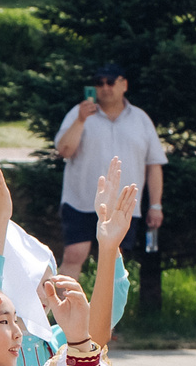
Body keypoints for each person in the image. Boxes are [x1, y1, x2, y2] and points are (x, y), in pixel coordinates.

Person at [53, 64, 168, 279]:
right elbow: (64, 150)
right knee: (73, 255)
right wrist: (80, 120)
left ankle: (109, 312)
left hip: (121, 205)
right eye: (99, 83)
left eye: (110, 82)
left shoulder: (141, 119)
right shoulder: (79, 114)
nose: (105, 87)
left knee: (115, 261)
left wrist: (155, 205)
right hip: (81, 200)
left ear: (124, 84)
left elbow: (154, 165)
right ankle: (63, 311)